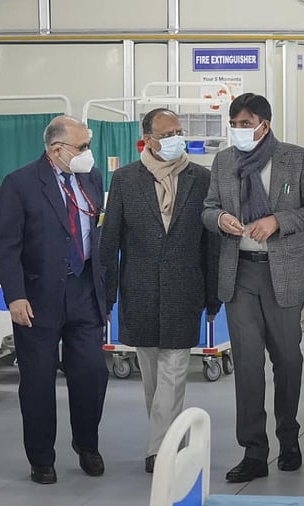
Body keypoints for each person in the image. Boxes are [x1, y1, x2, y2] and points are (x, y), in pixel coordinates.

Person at [202, 93, 304, 483]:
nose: (239, 131)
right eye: (234, 124)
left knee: (288, 361)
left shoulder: (296, 158)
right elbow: (206, 208)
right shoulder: (224, 161)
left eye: (246, 123)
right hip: (239, 273)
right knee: (247, 365)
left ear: (265, 125)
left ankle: (289, 439)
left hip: (284, 274)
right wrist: (219, 218)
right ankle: (254, 451)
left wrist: (277, 221)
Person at [100, 108, 221, 474]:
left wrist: (213, 295)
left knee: (174, 371)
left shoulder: (201, 179)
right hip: (140, 291)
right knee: (153, 377)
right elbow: (110, 241)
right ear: (147, 140)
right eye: (167, 134)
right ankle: (169, 435)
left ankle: (158, 449)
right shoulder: (125, 180)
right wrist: (107, 296)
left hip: (185, 290)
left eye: (178, 132)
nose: (174, 139)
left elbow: (210, 244)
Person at [0, 115, 108, 483]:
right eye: (82, 147)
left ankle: (87, 444)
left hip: (85, 292)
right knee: (39, 381)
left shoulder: (91, 179)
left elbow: (97, 233)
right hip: (38, 297)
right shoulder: (21, 183)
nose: (88, 153)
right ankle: (41, 457)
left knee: (92, 373)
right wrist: (15, 295)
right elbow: (6, 245)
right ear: (57, 149)